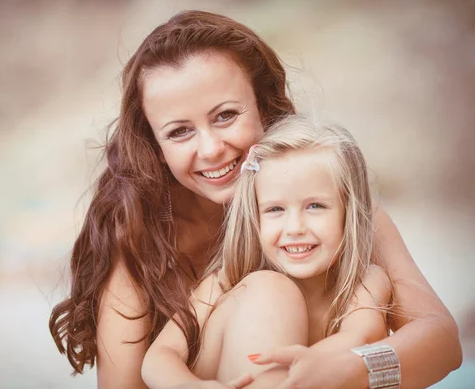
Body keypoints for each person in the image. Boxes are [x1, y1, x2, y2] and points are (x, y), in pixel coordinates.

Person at [49, 10, 462, 388]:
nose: (211, 149)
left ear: (264, 105)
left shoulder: (336, 201)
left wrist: (352, 369)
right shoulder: (143, 235)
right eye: (179, 131)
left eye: (226, 115)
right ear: (154, 146)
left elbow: (442, 342)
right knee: (269, 291)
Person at [141, 117, 396, 388]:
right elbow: (159, 356)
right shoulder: (227, 279)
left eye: (315, 206)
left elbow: (360, 337)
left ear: (349, 212)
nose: (295, 228)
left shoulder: (365, 280)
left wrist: (299, 367)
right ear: (255, 219)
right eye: (275, 210)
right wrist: (191, 386)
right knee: (269, 290)